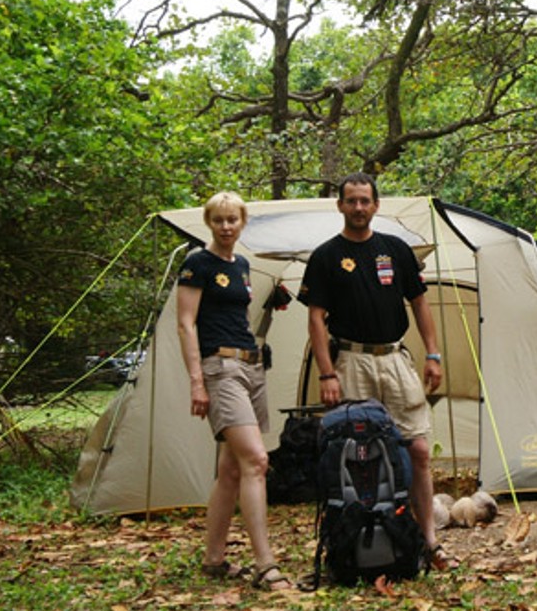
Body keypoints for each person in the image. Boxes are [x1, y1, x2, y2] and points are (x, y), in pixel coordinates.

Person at [303, 173, 454, 571]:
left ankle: (428, 541)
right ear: (340, 205)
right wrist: (326, 374)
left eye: (364, 201)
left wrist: (433, 354)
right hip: (351, 360)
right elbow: (316, 319)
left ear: (376, 205)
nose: (358, 208)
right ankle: (359, 540)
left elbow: (420, 304)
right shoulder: (325, 256)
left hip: (395, 359)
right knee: (357, 453)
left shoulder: (396, 251)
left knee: (418, 449)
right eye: (350, 201)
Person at [178, 191, 293, 590]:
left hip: (250, 365)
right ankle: (265, 564)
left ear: (242, 223)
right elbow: (186, 323)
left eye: (233, 220)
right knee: (256, 461)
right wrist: (197, 380)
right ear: (209, 223)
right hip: (220, 368)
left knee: (230, 469)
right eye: (219, 220)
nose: (226, 227)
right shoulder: (197, 264)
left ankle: (214, 560)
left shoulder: (242, 265)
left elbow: (240, 314)